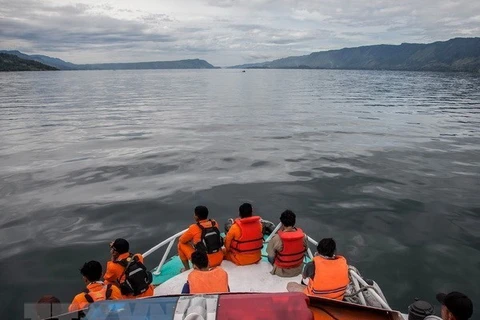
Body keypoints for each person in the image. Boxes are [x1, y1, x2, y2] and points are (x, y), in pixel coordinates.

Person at [177, 205, 224, 271]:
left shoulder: (193, 228)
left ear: (196, 216)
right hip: (219, 259)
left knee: (180, 244)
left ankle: (187, 269)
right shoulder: (214, 223)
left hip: (205, 263)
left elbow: (182, 240)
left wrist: (191, 241)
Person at [266, 210, 307, 277]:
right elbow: (305, 250)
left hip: (281, 271)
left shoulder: (276, 238)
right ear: (294, 222)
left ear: (282, 223)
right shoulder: (303, 237)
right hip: (298, 270)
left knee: (270, 255)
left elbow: (271, 256)